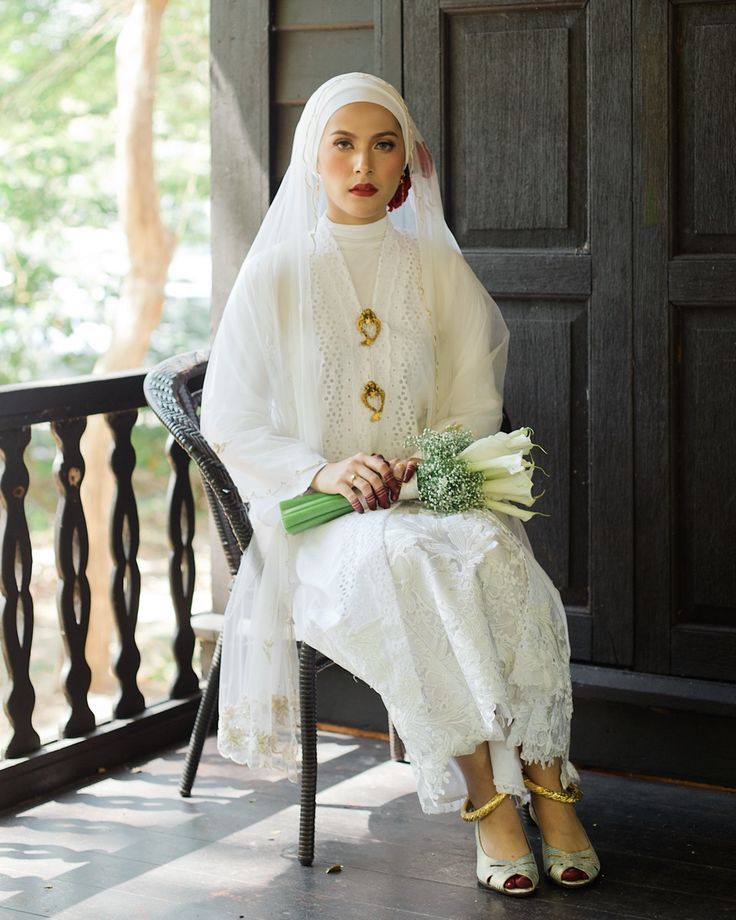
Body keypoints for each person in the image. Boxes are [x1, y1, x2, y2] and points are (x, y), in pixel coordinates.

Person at [201, 72, 600, 897]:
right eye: (342, 144)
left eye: (383, 144)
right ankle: (489, 805)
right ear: (314, 159)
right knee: (413, 567)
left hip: (427, 494)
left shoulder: (435, 269)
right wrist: (328, 471)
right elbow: (232, 420)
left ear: (407, 161)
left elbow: (471, 401)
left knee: (495, 554)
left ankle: (553, 791)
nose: (363, 163)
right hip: (321, 524)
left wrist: (423, 459)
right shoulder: (273, 274)